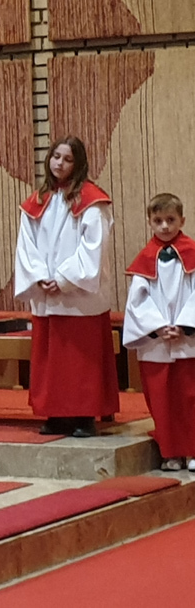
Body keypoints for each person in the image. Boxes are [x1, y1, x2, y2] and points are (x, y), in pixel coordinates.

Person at [14, 136, 118, 437]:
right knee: (53, 362)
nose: (59, 163)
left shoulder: (92, 200)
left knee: (80, 361)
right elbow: (27, 245)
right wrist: (39, 276)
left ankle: (84, 416)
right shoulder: (38, 200)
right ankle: (57, 414)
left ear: (79, 164)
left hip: (78, 296)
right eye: (56, 157)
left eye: (68, 159)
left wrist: (63, 279)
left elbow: (93, 246)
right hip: (47, 295)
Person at [122, 193, 195, 471]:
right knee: (161, 400)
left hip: (188, 341)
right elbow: (137, 301)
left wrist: (185, 325)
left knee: (189, 398)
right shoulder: (145, 259)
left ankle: (192, 451)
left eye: (170, 220)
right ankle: (170, 453)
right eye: (158, 220)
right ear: (150, 222)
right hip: (157, 344)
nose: (164, 226)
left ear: (182, 221)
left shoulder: (193, 254)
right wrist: (158, 326)